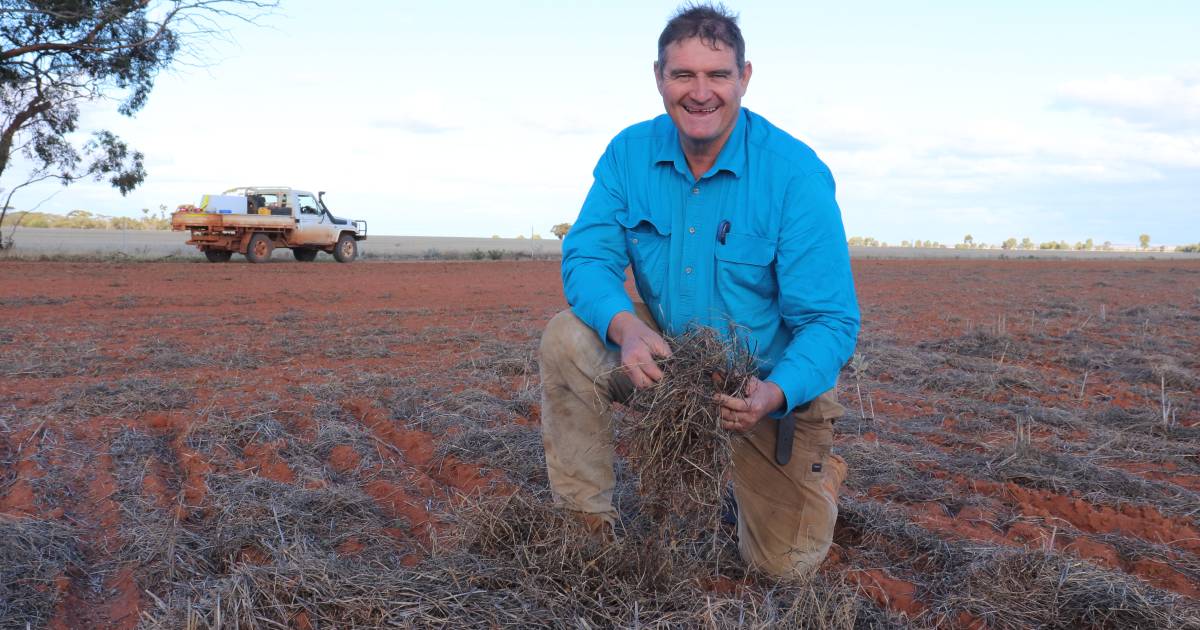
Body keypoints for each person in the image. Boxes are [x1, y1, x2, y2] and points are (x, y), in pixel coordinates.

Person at [539, 3, 860, 579]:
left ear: (745, 77)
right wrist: (628, 328)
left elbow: (830, 323)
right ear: (659, 78)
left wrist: (772, 393)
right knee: (568, 338)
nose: (700, 92)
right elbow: (588, 256)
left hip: (761, 388)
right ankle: (584, 527)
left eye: (717, 75)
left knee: (783, 567)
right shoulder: (629, 154)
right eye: (683, 74)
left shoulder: (794, 175)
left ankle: (817, 470)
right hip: (668, 362)